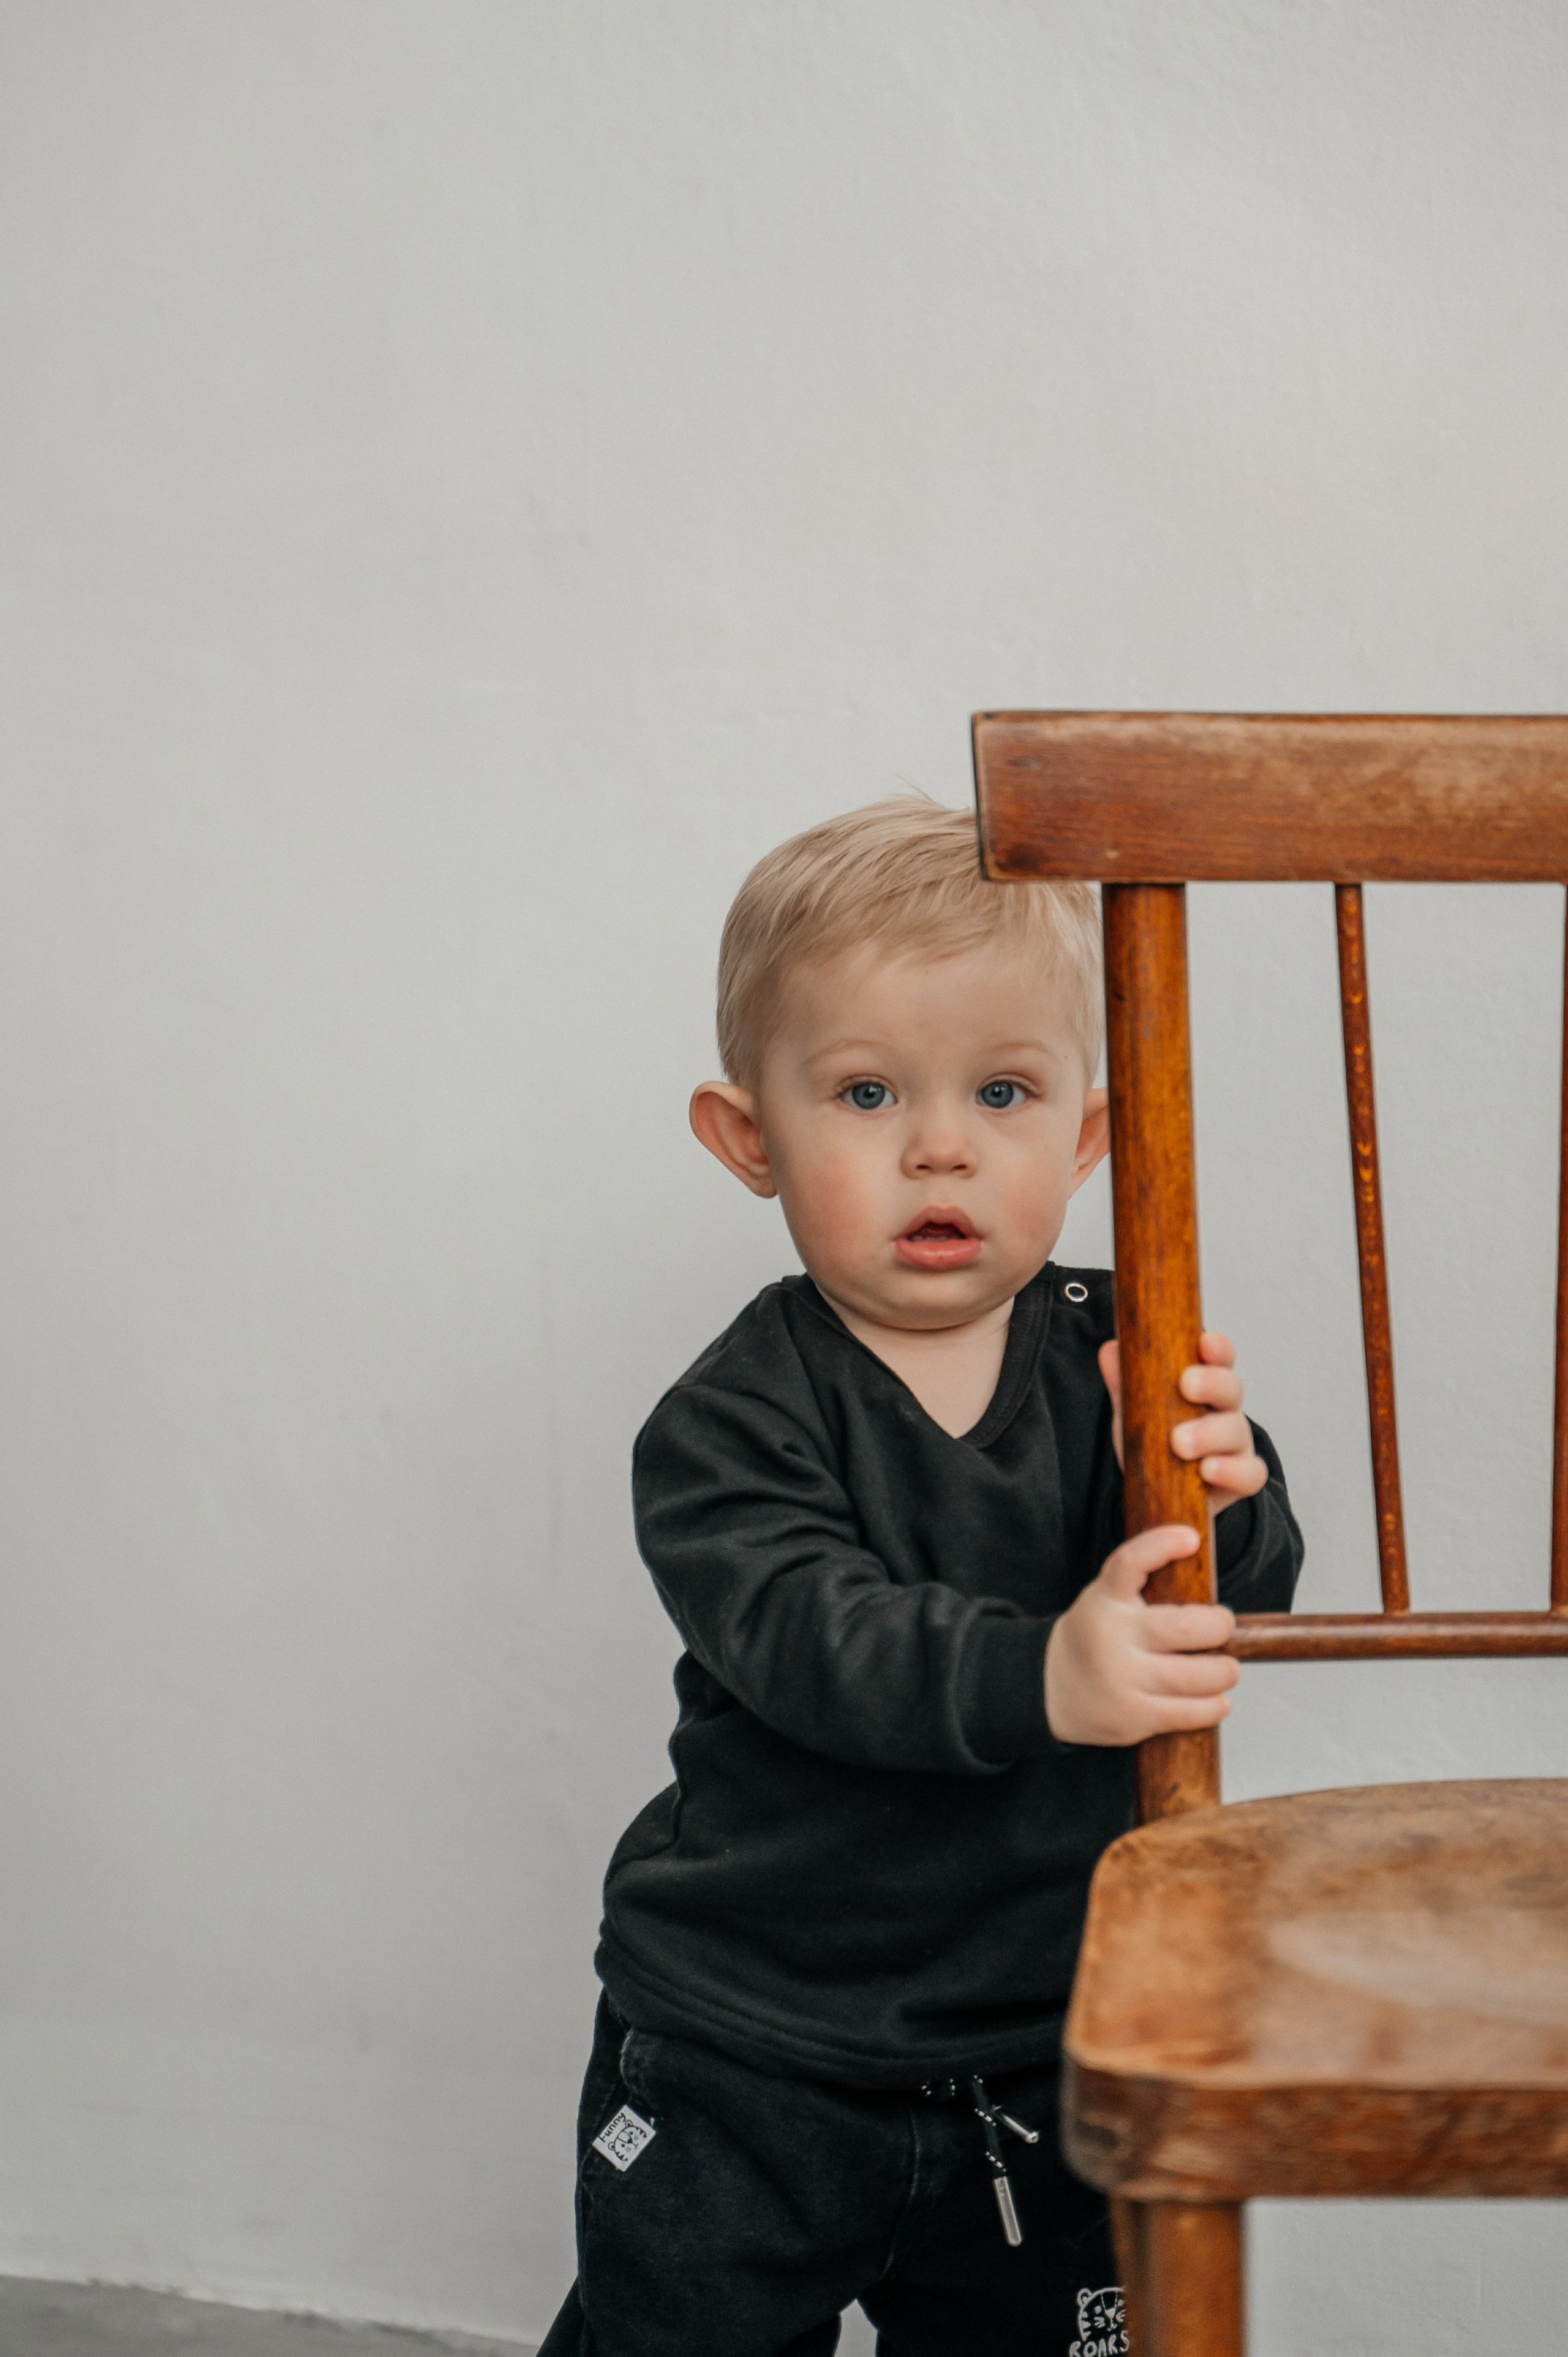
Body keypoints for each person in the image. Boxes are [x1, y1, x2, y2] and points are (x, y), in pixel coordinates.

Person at [540, 798, 1302, 2357]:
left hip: (1045, 2037)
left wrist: (1228, 1492)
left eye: (1003, 1090)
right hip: (754, 2044)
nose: (939, 1143)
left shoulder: (1114, 1349)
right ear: (750, 1136)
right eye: (867, 1090)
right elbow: (819, 1639)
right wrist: (1048, 1674)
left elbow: (1230, 1601)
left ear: (1086, 1138)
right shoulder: (729, 1416)